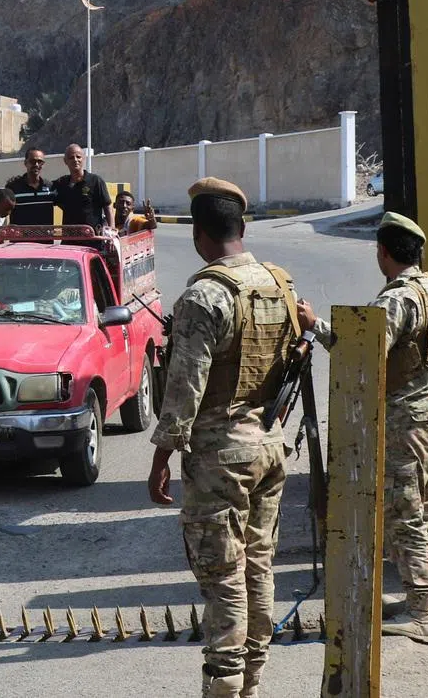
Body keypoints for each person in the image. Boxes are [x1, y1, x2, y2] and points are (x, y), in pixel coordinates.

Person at [147, 178, 300, 698]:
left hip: (221, 458)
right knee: (258, 569)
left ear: (198, 232)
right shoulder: (280, 283)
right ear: (241, 226)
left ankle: (225, 689)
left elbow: (183, 387)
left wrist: (161, 456)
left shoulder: (205, 295)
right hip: (270, 447)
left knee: (223, 581)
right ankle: (251, 684)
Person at [297, 211, 428, 646]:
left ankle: (423, 615)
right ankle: (426, 600)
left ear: (382, 253)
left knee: (405, 516)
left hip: (409, 421)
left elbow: (362, 350)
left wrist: (316, 326)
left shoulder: (400, 298)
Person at [53, 144, 115, 243]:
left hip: (92, 239)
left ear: (84, 159)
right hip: (69, 240)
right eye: (71, 157)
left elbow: (107, 207)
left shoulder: (96, 181)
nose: (75, 160)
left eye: (78, 157)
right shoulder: (61, 183)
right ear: (65, 161)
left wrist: (111, 233)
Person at [4, 148, 57, 226]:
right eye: (32, 161)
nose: (36, 165)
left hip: (45, 238)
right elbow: (3, 213)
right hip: (21, 238)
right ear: (26, 163)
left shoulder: (51, 187)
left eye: (40, 162)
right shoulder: (13, 187)